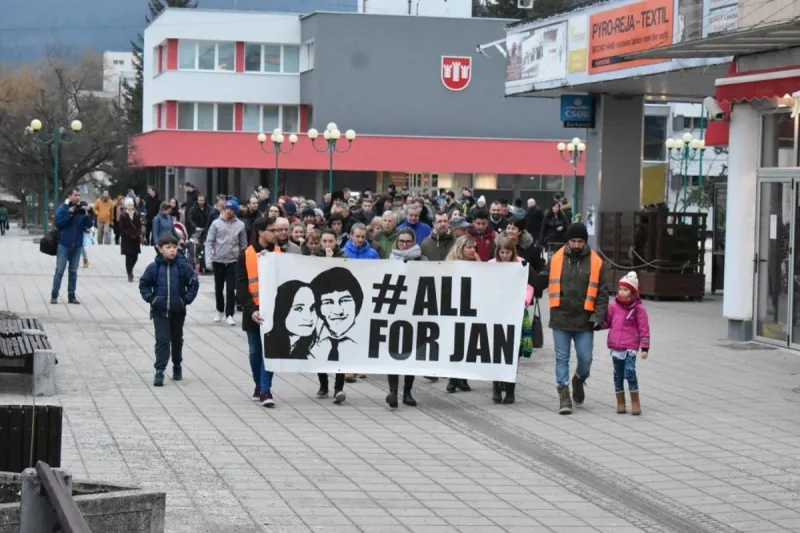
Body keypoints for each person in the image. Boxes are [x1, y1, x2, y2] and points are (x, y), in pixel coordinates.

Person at [534, 223, 608, 415]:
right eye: (573, 241)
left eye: (580, 241)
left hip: (585, 320)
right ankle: (563, 393)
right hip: (561, 317)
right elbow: (542, 279)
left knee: (586, 359)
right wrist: (526, 275)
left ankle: (579, 379)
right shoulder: (557, 258)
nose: (576, 245)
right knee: (562, 358)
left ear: (585, 241)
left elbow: (602, 293)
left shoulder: (596, 262)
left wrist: (598, 317)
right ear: (568, 240)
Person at [138, 234, 199, 387]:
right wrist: (152, 299)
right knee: (162, 340)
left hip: (178, 311)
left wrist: (185, 300)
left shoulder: (182, 266)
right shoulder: (154, 267)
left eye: (174, 247)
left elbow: (193, 283)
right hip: (160, 311)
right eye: (168, 247)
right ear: (160, 249)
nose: (172, 250)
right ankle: (159, 370)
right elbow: (144, 284)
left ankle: (177, 364)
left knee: (177, 339)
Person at [237, 216, 282, 407]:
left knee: (268, 352)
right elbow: (240, 286)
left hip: (274, 312)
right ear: (261, 232)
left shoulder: (280, 253)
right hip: (253, 312)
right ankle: (258, 384)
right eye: (272, 230)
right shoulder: (245, 255)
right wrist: (251, 309)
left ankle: (265, 390)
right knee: (255, 352)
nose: (276, 234)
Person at [488, 236, 534, 405]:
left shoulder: (521, 264)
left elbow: (529, 285)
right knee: (496, 350)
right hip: (497, 313)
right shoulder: (492, 265)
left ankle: (510, 388)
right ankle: (496, 386)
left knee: (513, 351)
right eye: (502, 252)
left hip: (515, 311)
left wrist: (525, 299)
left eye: (508, 252)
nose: (505, 255)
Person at [310, 266, 364, 404]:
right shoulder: (314, 334)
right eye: (328, 302)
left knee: (343, 355)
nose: (338, 311)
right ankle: (323, 385)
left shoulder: (360, 337)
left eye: (345, 301)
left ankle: (338, 388)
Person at [603, 272, 650, 416]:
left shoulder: (638, 310)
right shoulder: (613, 306)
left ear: (632, 292)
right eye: (620, 289)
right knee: (617, 374)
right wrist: (597, 324)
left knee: (630, 372)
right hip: (616, 346)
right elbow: (608, 322)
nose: (621, 292)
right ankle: (620, 402)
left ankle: (635, 402)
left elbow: (644, 328)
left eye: (625, 289)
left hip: (630, 346)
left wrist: (645, 347)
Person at [444, 235, 479, 393]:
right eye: (469, 247)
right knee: (454, 344)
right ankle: (453, 379)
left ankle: (463, 378)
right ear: (461, 249)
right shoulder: (451, 264)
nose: (473, 250)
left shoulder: (477, 264)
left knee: (467, 344)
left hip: (470, 308)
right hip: (454, 308)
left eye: (474, 247)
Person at [206, 198, 247, 325]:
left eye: (231, 209)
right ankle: (219, 310)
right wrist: (208, 260)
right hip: (218, 259)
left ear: (235, 211)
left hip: (233, 261)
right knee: (218, 287)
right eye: (227, 208)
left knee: (231, 288)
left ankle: (230, 313)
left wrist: (241, 260)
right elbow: (209, 242)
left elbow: (243, 244)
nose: (229, 211)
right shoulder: (216, 224)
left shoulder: (240, 225)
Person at [51, 189, 93, 305]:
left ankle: (71, 295)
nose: (78, 197)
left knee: (73, 271)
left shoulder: (81, 209)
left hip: (77, 246)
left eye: (79, 195)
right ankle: (54, 294)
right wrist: (69, 214)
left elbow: (89, 225)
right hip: (64, 245)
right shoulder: (63, 209)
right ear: (69, 196)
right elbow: (59, 224)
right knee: (59, 271)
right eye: (75, 195)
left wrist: (88, 213)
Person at [263, 280, 317, 360]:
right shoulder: (267, 343)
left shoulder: (317, 348)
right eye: (299, 308)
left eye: (312, 308)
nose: (308, 316)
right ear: (283, 310)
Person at [119, 197, 142, 282]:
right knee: (128, 257)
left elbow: (139, 226)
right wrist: (129, 234)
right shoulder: (123, 215)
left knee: (135, 257)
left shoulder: (136, 213)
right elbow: (122, 228)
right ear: (126, 206)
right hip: (127, 240)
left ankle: (130, 269)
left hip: (135, 239)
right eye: (129, 205)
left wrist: (137, 234)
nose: (131, 206)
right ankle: (129, 273)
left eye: (132, 205)